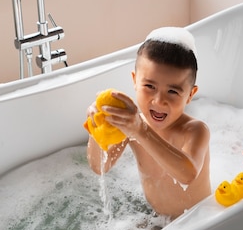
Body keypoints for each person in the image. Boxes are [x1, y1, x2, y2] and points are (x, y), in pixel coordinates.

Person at [85, 27, 211, 218]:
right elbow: (99, 166)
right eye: (149, 86)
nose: (159, 101)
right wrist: (96, 126)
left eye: (173, 91)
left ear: (190, 95)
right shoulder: (132, 125)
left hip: (198, 221)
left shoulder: (195, 131)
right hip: (158, 220)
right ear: (135, 81)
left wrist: (141, 131)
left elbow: (187, 174)